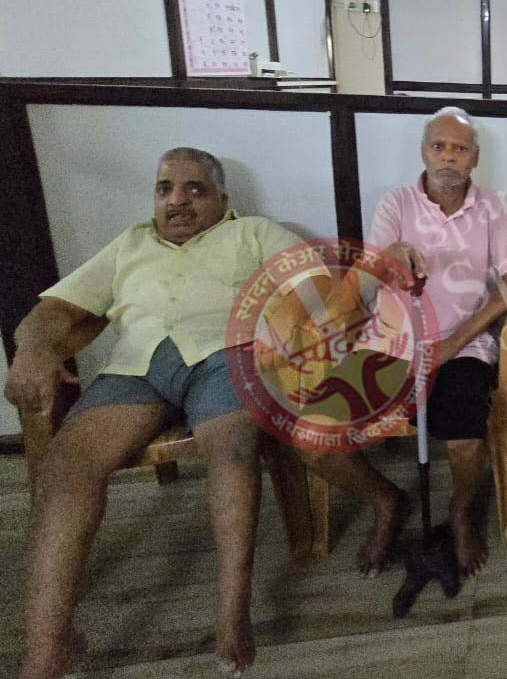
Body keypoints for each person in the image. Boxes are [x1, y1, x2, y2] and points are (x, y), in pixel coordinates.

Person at [5, 148, 314, 679]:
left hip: (225, 356)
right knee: (64, 468)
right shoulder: (130, 243)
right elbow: (54, 310)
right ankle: (47, 650)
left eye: (195, 188)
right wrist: (33, 348)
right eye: (165, 188)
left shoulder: (253, 233)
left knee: (233, 451)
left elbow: (315, 280)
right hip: (137, 367)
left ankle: (232, 608)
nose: (177, 200)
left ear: (222, 198)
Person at [298, 107, 507, 582]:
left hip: (461, 348)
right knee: (315, 442)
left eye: (460, 149)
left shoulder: (492, 206)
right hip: (390, 345)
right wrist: (391, 256)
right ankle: (387, 501)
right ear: (423, 152)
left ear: (475, 157)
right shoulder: (396, 203)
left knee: (465, 444)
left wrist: (452, 345)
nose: (448, 157)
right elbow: (365, 278)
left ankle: (460, 511)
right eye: (438, 147)